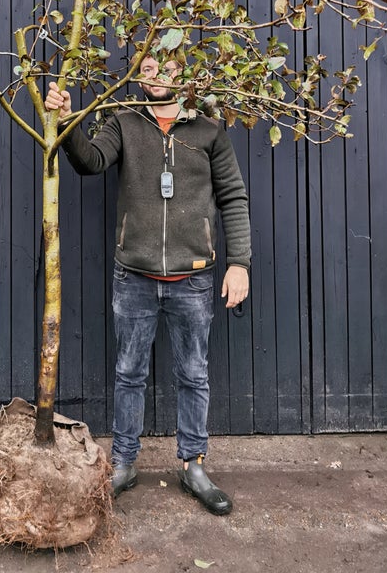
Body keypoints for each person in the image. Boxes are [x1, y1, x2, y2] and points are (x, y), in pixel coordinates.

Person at [44, 55, 251, 515]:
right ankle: (123, 463)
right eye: (151, 67)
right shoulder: (124, 122)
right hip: (133, 275)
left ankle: (193, 464)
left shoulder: (208, 129)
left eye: (170, 67)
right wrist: (66, 119)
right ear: (140, 73)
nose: (159, 76)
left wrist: (239, 263)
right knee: (129, 373)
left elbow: (233, 197)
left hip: (193, 277)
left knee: (193, 374)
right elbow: (89, 161)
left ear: (186, 73)